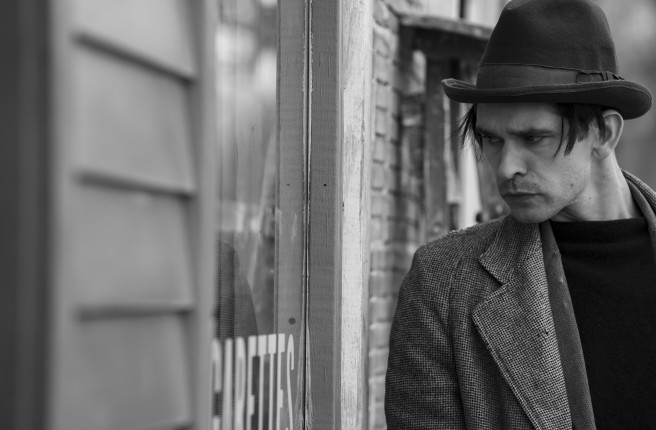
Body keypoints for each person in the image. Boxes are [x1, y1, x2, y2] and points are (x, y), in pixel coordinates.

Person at [385, 0, 656, 429]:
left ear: (603, 133)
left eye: (533, 137)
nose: (506, 167)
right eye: (492, 139)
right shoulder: (442, 284)